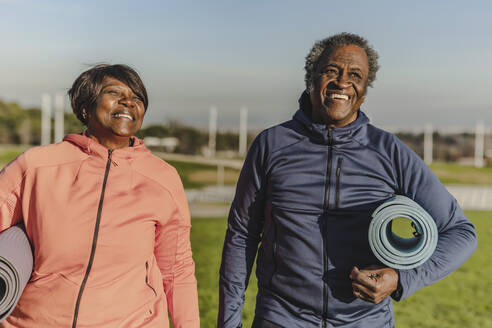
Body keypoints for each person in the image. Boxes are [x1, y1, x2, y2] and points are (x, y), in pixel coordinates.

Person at [218, 33, 477, 328]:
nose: (342, 83)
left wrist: (400, 278)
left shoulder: (389, 151)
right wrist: (228, 321)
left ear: (364, 91)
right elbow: (241, 235)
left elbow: (461, 232)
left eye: (355, 75)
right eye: (331, 71)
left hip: (365, 321)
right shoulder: (271, 145)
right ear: (310, 78)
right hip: (282, 317)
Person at [0, 64, 199, 327]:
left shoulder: (163, 178)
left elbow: (177, 270)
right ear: (86, 107)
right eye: (114, 92)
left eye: (137, 98)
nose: (129, 102)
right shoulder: (36, 166)